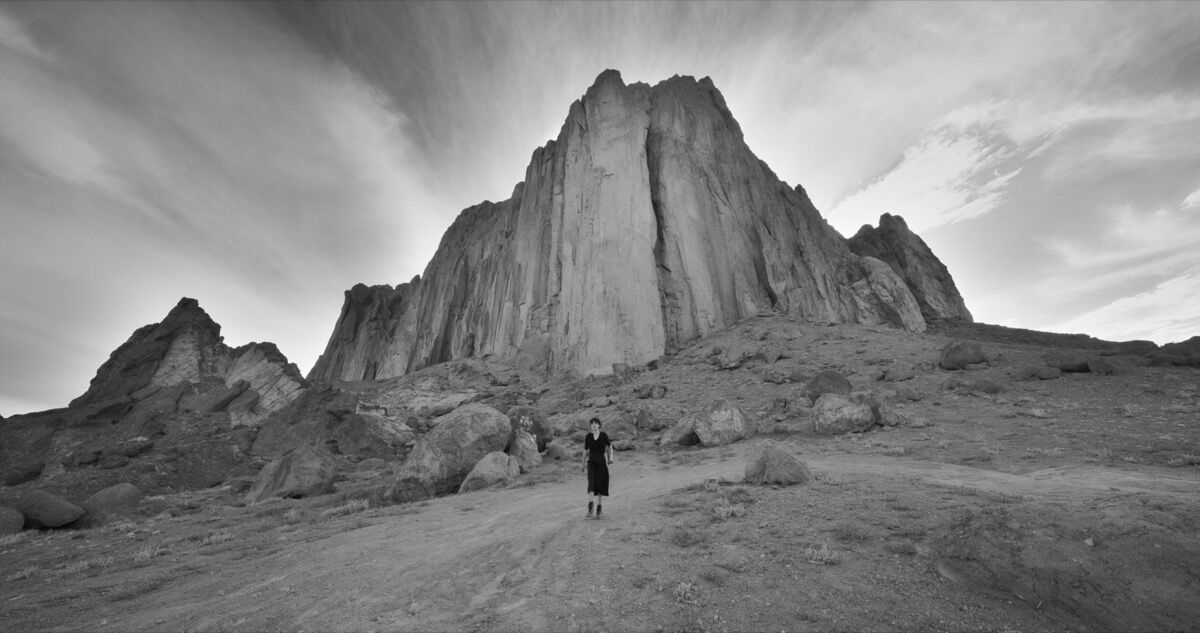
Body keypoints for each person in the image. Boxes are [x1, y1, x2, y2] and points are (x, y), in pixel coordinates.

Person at [582, 417, 613, 518]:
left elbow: (609, 447)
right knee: (591, 484)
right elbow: (585, 451)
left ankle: (599, 510)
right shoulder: (588, 437)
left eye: (595, 423)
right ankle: (590, 509)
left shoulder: (603, 435)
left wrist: (610, 458)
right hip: (591, 464)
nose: (594, 425)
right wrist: (583, 465)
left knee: (600, 486)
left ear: (599, 425)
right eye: (592, 423)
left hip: (601, 464)